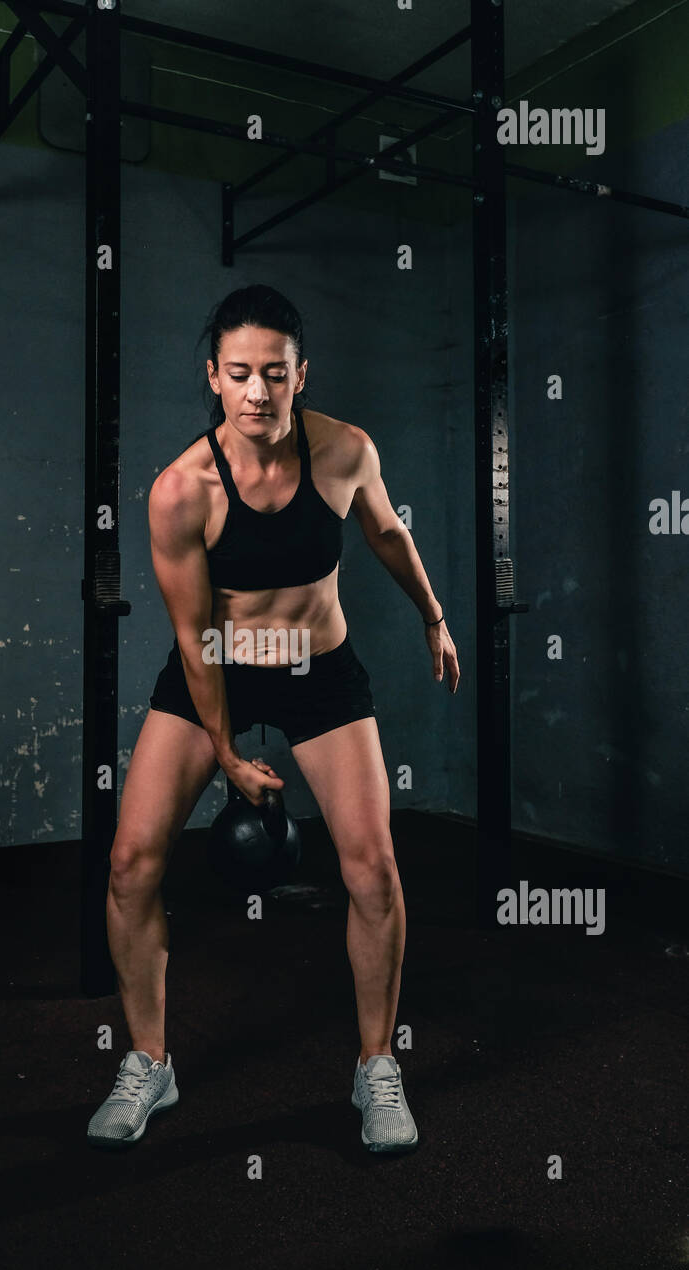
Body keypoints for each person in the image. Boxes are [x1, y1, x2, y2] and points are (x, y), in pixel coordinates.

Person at [88, 284, 460, 1154]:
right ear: (213, 376)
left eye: (277, 375)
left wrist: (434, 616)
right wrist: (222, 751)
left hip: (318, 674)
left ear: (301, 375)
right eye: (241, 374)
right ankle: (150, 1059)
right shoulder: (182, 490)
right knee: (131, 862)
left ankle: (377, 1066)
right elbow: (191, 637)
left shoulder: (344, 452)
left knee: (372, 867)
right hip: (212, 668)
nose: (259, 394)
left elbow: (389, 538)